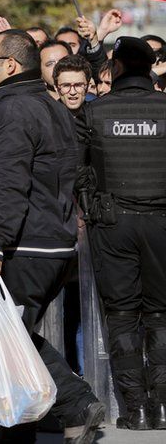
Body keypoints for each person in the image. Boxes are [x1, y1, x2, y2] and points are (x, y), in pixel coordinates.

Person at [0, 30, 103, 443]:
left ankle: (74, 402)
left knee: (6, 336)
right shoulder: (47, 106)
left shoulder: (16, 110)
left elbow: (8, 181)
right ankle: (20, 430)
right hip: (48, 243)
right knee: (11, 336)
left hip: (23, 245)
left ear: (10, 65)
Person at [77, 37, 166, 430]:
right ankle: (162, 406)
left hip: (112, 225)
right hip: (161, 224)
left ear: (114, 69)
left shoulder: (95, 112)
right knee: (162, 315)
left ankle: (137, 409)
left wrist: (90, 204)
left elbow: (76, 170)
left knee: (124, 315)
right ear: (150, 68)